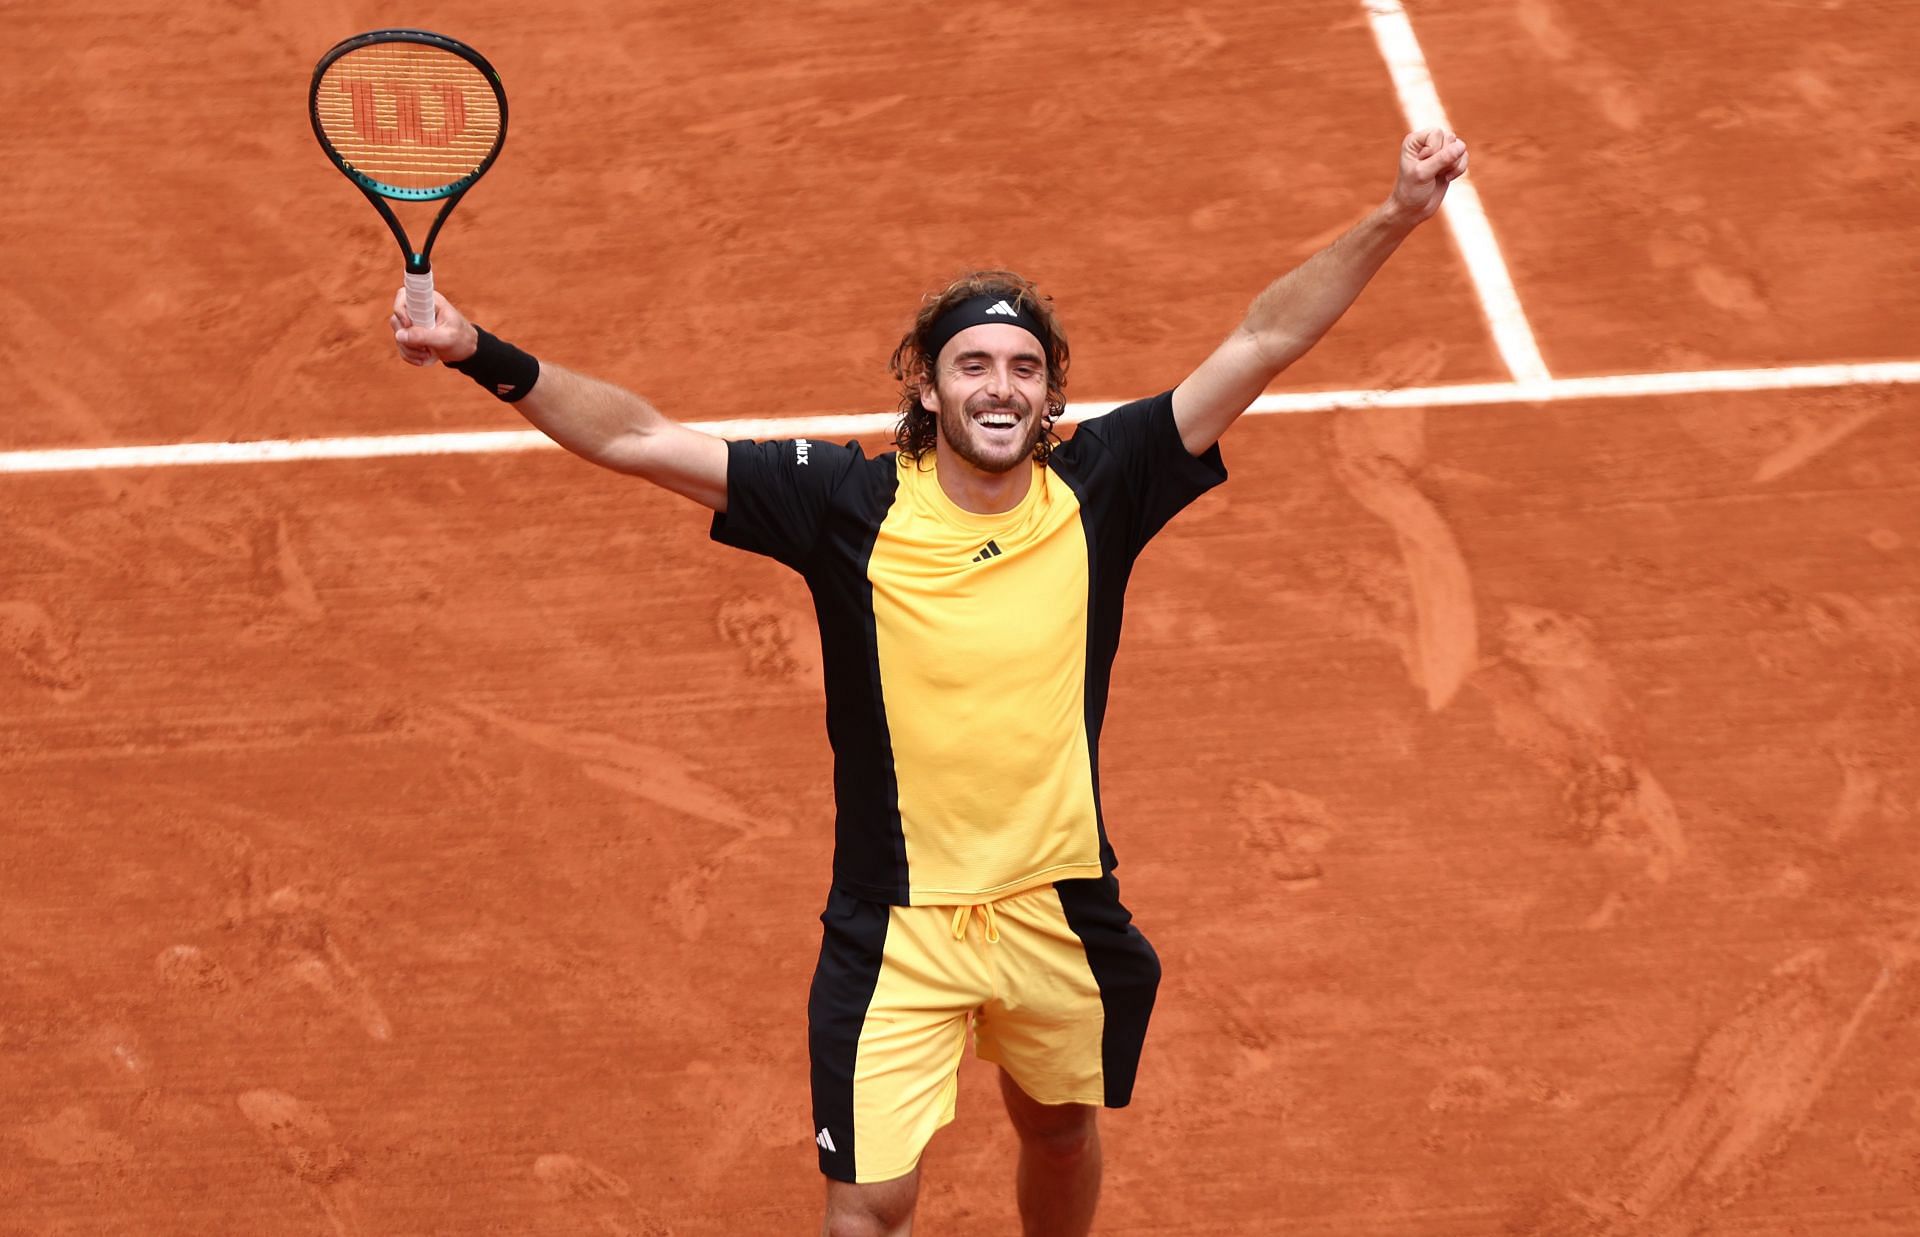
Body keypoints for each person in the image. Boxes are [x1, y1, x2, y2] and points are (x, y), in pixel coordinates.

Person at [388, 128, 1469, 1237]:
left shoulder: (1103, 485)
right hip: (895, 921)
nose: (1000, 387)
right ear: (930, 383)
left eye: (1024, 368)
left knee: (1056, 1128)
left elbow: (1266, 334)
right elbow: (639, 437)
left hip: (1053, 903)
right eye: (974, 364)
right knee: (870, 1202)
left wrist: (1392, 217)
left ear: (1050, 392)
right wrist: (480, 348)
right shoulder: (844, 503)